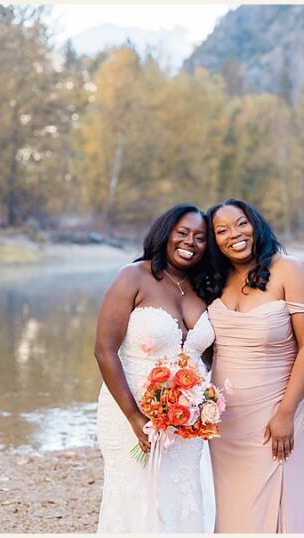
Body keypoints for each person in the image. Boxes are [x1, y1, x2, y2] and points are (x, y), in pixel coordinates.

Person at [204, 198, 304, 533]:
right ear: (213, 239)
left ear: (256, 224)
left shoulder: (289, 270)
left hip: (275, 412)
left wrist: (286, 413)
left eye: (241, 223)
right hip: (225, 420)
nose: (235, 234)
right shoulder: (214, 279)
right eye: (222, 230)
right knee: (232, 510)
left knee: (278, 504)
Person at [93, 203, 221, 532]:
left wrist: (204, 402)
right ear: (165, 234)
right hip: (131, 409)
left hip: (187, 417)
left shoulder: (203, 288)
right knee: (136, 496)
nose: (190, 242)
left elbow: (212, 357)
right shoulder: (133, 277)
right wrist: (136, 419)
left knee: (182, 492)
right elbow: (105, 351)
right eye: (182, 233)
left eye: (200, 237)